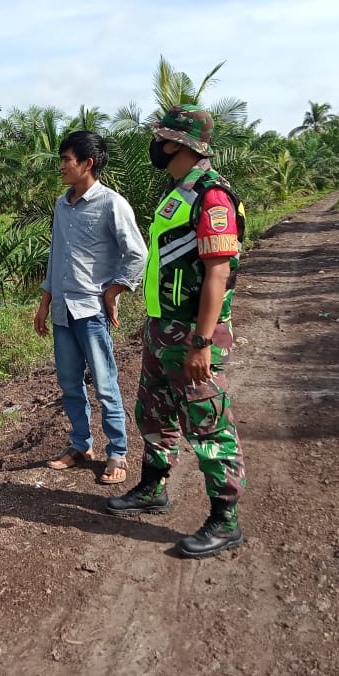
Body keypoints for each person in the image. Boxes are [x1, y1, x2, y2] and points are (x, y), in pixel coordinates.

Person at [105, 104, 248, 559]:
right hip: (163, 329)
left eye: (160, 138)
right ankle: (152, 488)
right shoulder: (179, 192)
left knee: (208, 424)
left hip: (192, 333)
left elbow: (218, 273)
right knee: (153, 411)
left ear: (178, 144)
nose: (155, 145)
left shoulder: (212, 197)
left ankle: (225, 519)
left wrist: (202, 343)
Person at [34, 130, 148, 485]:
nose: (61, 166)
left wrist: (113, 291)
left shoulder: (112, 203)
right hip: (62, 310)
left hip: (91, 311)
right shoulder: (61, 204)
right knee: (69, 383)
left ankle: (117, 452)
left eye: (66, 160)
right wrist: (45, 301)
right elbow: (56, 255)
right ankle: (81, 445)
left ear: (88, 163)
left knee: (105, 384)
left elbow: (138, 254)